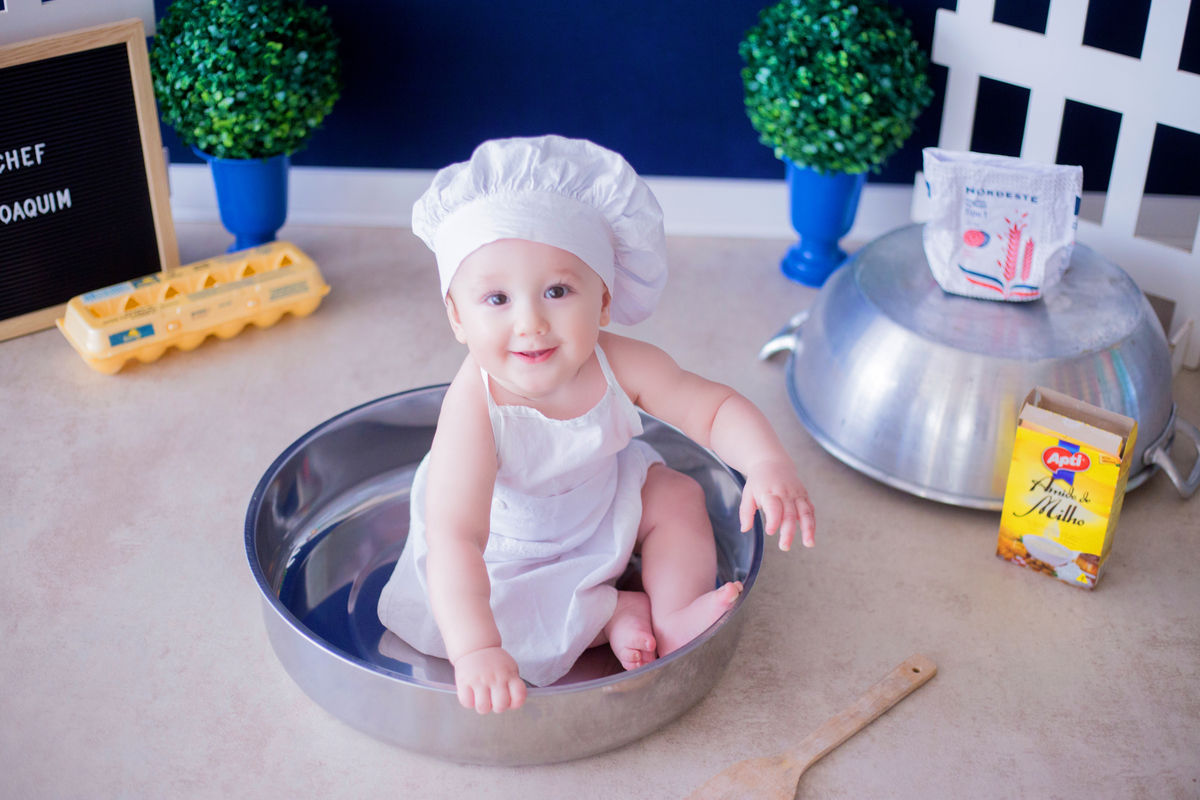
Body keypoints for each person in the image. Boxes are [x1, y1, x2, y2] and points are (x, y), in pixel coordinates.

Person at [378, 135, 815, 714]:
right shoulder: (474, 407)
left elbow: (710, 407)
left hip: (602, 502)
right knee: (502, 613)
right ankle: (611, 611)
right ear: (457, 318)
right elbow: (457, 536)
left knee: (678, 496)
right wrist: (478, 649)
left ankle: (673, 610)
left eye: (557, 290)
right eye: (496, 299)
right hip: (505, 548)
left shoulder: (620, 362)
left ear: (603, 302)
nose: (531, 322)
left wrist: (765, 462)